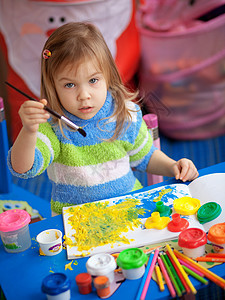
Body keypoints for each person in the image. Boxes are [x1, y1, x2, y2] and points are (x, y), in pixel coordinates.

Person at [8, 22, 199, 215]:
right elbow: (23, 169)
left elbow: (146, 157)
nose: (84, 95)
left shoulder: (125, 113)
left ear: (108, 75)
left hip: (129, 209)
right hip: (76, 223)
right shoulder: (53, 127)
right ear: (53, 86)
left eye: (93, 80)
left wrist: (173, 166)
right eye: (69, 85)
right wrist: (29, 130)